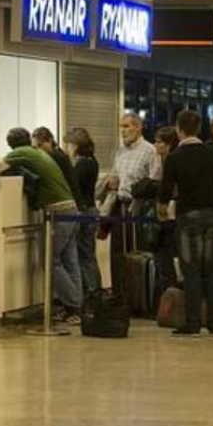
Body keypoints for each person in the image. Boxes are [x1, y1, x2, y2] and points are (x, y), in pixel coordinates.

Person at [158, 110, 213, 336]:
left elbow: (165, 192)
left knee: (191, 269)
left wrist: (163, 209)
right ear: (199, 128)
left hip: (188, 216)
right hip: (212, 214)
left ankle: (193, 322)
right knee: (211, 268)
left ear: (179, 129)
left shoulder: (175, 157)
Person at [5, 127, 83, 324]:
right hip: (71, 208)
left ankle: (75, 305)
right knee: (70, 261)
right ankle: (75, 309)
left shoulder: (21, 152)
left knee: (50, 260)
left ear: (11, 144)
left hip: (58, 212)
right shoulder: (38, 153)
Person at [108, 114, 161, 288]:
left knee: (138, 253)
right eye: (121, 127)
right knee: (118, 253)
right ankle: (120, 292)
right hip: (121, 206)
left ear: (138, 127)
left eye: (126, 126)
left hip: (140, 208)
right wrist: (112, 181)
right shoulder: (120, 152)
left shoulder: (150, 151)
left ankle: (140, 294)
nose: (122, 131)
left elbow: (155, 181)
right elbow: (115, 175)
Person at [64, 127, 102, 295]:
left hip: (84, 211)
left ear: (76, 145)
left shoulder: (83, 164)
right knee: (88, 254)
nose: (67, 148)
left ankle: (92, 291)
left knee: (85, 255)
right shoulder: (92, 160)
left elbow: (73, 186)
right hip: (90, 210)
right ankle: (94, 290)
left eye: (69, 144)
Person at [151, 126, 181, 297]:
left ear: (169, 144)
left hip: (172, 213)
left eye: (159, 142)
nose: (155, 145)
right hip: (164, 213)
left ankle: (173, 293)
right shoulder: (159, 161)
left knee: (170, 254)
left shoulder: (173, 161)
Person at [32, 127, 84, 211]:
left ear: (50, 140)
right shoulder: (59, 154)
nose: (38, 149)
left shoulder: (55, 157)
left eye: (40, 145)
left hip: (66, 203)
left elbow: (71, 181)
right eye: (35, 147)